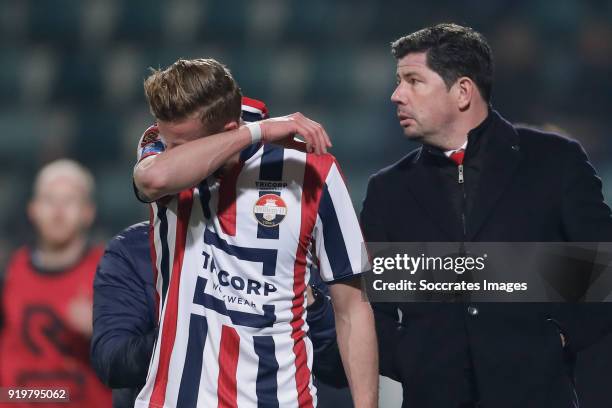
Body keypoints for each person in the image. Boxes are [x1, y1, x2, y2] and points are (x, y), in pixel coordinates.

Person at [360, 23, 612, 408]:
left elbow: (604, 271)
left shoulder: (554, 162)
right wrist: (414, 359)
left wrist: (556, 339)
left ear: (462, 91)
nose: (396, 95)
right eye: (398, 81)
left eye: (413, 81)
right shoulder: (387, 190)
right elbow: (369, 307)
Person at [132, 59, 377, 408]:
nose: (170, 151)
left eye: (182, 145)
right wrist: (257, 131)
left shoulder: (312, 172)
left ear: (227, 128)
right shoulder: (160, 142)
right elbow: (154, 179)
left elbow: (352, 306)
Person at [91, 99, 348, 408]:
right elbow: (112, 362)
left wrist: (311, 306)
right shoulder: (131, 251)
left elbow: (338, 368)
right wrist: (197, 325)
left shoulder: (289, 238)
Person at [0, 159, 112, 407]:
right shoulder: (12, 269)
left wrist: (105, 330)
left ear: (88, 212)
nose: (58, 211)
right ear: (33, 209)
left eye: (69, 201)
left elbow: (143, 351)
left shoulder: (109, 271)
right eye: (50, 200)